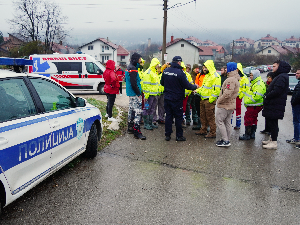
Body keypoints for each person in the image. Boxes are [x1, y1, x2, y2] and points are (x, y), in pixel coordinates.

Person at [161, 56, 199, 141]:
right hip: (177, 99)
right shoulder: (181, 73)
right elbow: (187, 85)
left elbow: (162, 83)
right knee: (178, 117)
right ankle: (179, 136)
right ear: (179, 62)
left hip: (167, 98)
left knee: (168, 116)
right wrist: (195, 86)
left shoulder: (166, 71)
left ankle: (167, 135)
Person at [262, 60, 291, 149]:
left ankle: (274, 142)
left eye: (274, 66)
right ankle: (271, 139)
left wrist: (267, 96)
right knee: (271, 122)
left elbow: (277, 91)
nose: (272, 68)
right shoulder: (280, 76)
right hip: (273, 104)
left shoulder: (282, 77)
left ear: (280, 67)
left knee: (273, 123)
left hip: (275, 104)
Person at [215, 62, 240, 147]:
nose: (225, 70)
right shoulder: (235, 78)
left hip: (225, 105)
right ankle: (226, 139)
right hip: (231, 105)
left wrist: (219, 100)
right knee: (227, 122)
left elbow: (227, 93)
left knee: (219, 120)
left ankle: (225, 140)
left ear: (229, 69)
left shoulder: (230, 80)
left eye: (226, 68)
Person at [195, 60, 221, 138]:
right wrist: (196, 90)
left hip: (209, 100)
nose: (204, 69)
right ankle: (204, 129)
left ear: (209, 67)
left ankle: (213, 132)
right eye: (203, 67)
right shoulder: (207, 76)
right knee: (203, 116)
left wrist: (210, 99)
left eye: (206, 67)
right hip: (203, 99)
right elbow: (203, 87)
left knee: (210, 117)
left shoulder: (215, 76)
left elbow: (216, 90)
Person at [239, 70, 266, 140]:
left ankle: (247, 135)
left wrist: (248, 101)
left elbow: (257, 96)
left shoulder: (258, 84)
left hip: (254, 105)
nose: (250, 76)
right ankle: (252, 134)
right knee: (253, 119)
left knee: (248, 119)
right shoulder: (255, 82)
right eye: (250, 75)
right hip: (254, 105)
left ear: (255, 75)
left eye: (252, 75)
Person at [125, 53, 146, 140]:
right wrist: (139, 93)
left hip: (131, 93)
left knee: (131, 110)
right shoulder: (133, 69)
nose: (141, 60)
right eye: (140, 59)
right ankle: (137, 131)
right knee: (137, 112)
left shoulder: (129, 67)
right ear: (136, 59)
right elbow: (134, 84)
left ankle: (130, 127)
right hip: (134, 93)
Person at [141, 58, 160, 130]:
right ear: (154, 64)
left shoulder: (154, 72)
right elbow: (146, 85)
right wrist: (146, 95)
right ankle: (146, 124)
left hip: (154, 95)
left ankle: (150, 123)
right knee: (147, 109)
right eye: (157, 64)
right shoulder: (148, 73)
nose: (158, 66)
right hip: (149, 96)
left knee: (152, 109)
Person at [232, 63, 250, 130]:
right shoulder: (233, 76)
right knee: (231, 110)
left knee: (238, 111)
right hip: (232, 97)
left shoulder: (244, 78)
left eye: (236, 69)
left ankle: (238, 124)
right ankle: (229, 123)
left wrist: (240, 95)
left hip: (238, 97)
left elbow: (245, 88)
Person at [287, 69, 300, 147]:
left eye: (298, 73)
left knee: (296, 121)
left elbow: (298, 96)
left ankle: (296, 138)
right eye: (296, 73)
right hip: (297, 105)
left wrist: (293, 102)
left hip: (297, 105)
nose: (296, 74)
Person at [192, 65, 205, 130]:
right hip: (198, 95)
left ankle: (206, 125)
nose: (204, 69)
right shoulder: (199, 75)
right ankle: (200, 124)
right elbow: (196, 85)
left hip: (206, 96)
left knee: (206, 111)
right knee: (198, 110)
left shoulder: (209, 76)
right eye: (203, 68)